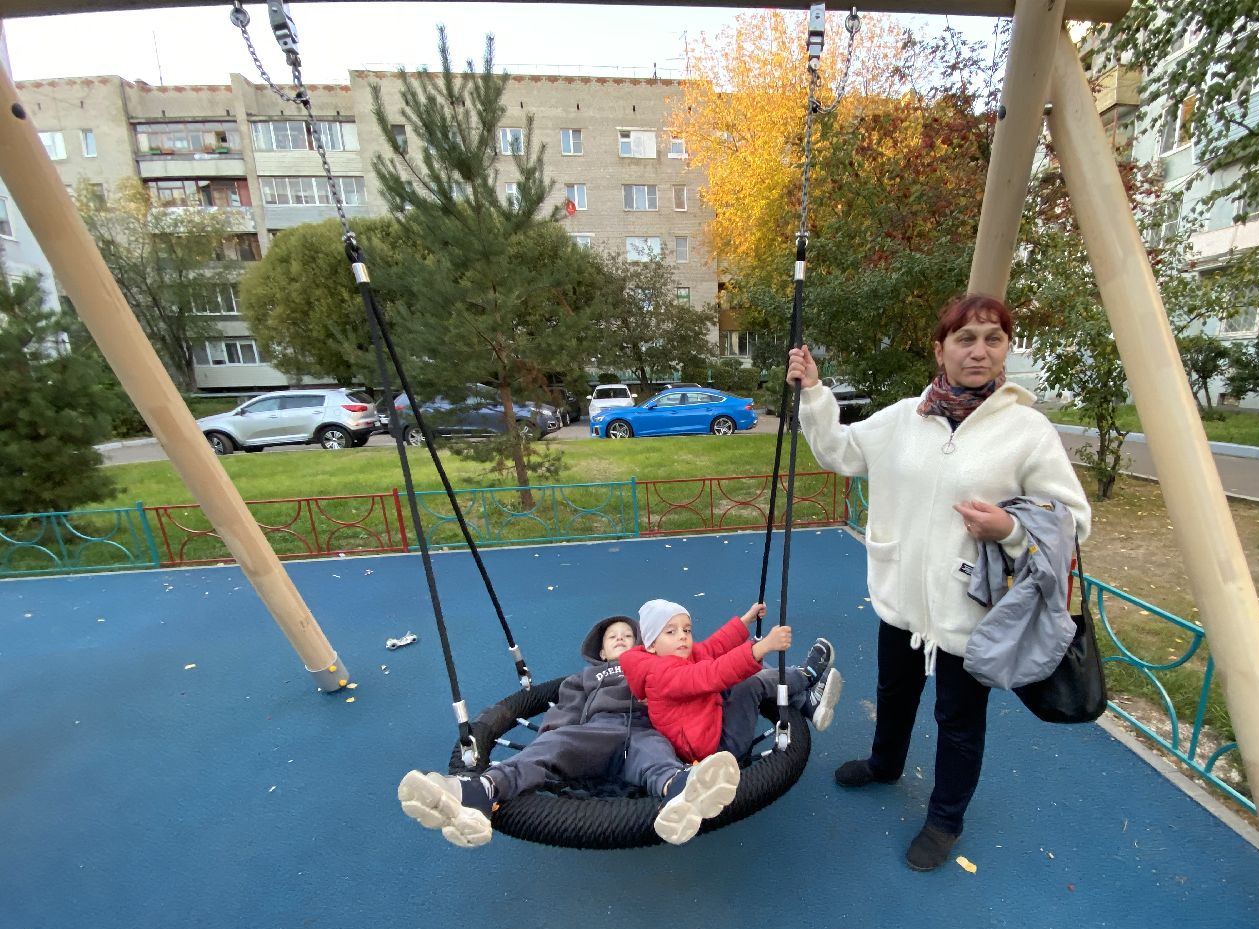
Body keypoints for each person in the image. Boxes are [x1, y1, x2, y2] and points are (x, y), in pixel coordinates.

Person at [786, 293, 1092, 871]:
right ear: (940, 349)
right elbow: (840, 452)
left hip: (970, 611)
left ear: (1006, 349)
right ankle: (885, 764)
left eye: (993, 339)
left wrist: (1010, 529)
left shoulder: (1026, 430)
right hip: (902, 598)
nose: (979, 351)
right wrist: (815, 393)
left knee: (958, 720)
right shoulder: (905, 418)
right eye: (965, 338)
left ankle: (945, 818)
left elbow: (1071, 519)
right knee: (894, 692)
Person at [396, 614, 745, 848]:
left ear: (646, 645)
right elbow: (565, 710)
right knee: (553, 746)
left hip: (646, 729)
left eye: (629, 636)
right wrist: (553, 738)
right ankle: (479, 792)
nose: (621, 639)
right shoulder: (585, 677)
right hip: (597, 730)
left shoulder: (662, 665)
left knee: (656, 756)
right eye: (613, 637)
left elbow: (702, 679)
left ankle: (680, 790)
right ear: (601, 651)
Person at [620, 599, 843, 765]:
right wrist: (763, 646)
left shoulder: (675, 655)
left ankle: (806, 703)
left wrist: (746, 620)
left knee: (749, 666)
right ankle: (806, 676)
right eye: (671, 632)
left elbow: (712, 648)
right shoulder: (661, 675)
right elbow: (712, 674)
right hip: (716, 751)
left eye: (686, 630)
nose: (682, 636)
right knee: (749, 683)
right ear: (651, 645)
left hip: (710, 722)